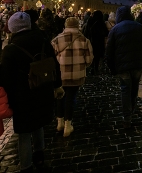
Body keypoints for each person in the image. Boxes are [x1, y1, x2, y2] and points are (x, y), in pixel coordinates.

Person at [0, 12, 63, 172]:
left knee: (24, 133)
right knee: (38, 126)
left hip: (22, 97)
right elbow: (54, 65)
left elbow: (5, 78)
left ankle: (26, 166)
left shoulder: (10, 49)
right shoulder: (43, 40)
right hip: (43, 91)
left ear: (13, 28)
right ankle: (40, 158)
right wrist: (57, 86)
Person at [106, 6, 142, 129]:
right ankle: (132, 109)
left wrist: (112, 68)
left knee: (125, 89)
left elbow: (109, 51)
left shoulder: (115, 29)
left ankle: (127, 117)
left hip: (122, 66)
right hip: (137, 65)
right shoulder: (139, 27)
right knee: (134, 88)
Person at [51, 17, 93, 137]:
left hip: (61, 75)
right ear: (77, 26)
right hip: (77, 75)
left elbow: (51, 59)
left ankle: (59, 122)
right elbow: (89, 59)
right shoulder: (84, 40)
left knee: (60, 97)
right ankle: (68, 125)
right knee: (70, 98)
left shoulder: (56, 40)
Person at [83, 10, 109, 75]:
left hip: (91, 41)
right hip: (99, 42)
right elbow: (106, 33)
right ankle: (96, 68)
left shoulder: (90, 21)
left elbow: (86, 32)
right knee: (97, 57)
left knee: (91, 55)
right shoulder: (101, 22)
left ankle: (91, 68)